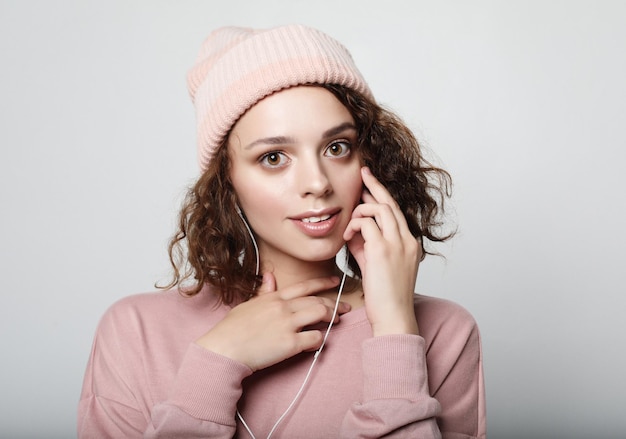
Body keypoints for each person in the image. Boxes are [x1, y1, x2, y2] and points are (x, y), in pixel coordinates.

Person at [77, 24, 486, 438]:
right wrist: (217, 361)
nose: (317, 182)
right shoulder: (135, 331)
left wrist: (396, 329)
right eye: (274, 157)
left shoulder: (442, 332)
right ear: (227, 179)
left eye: (337, 147)